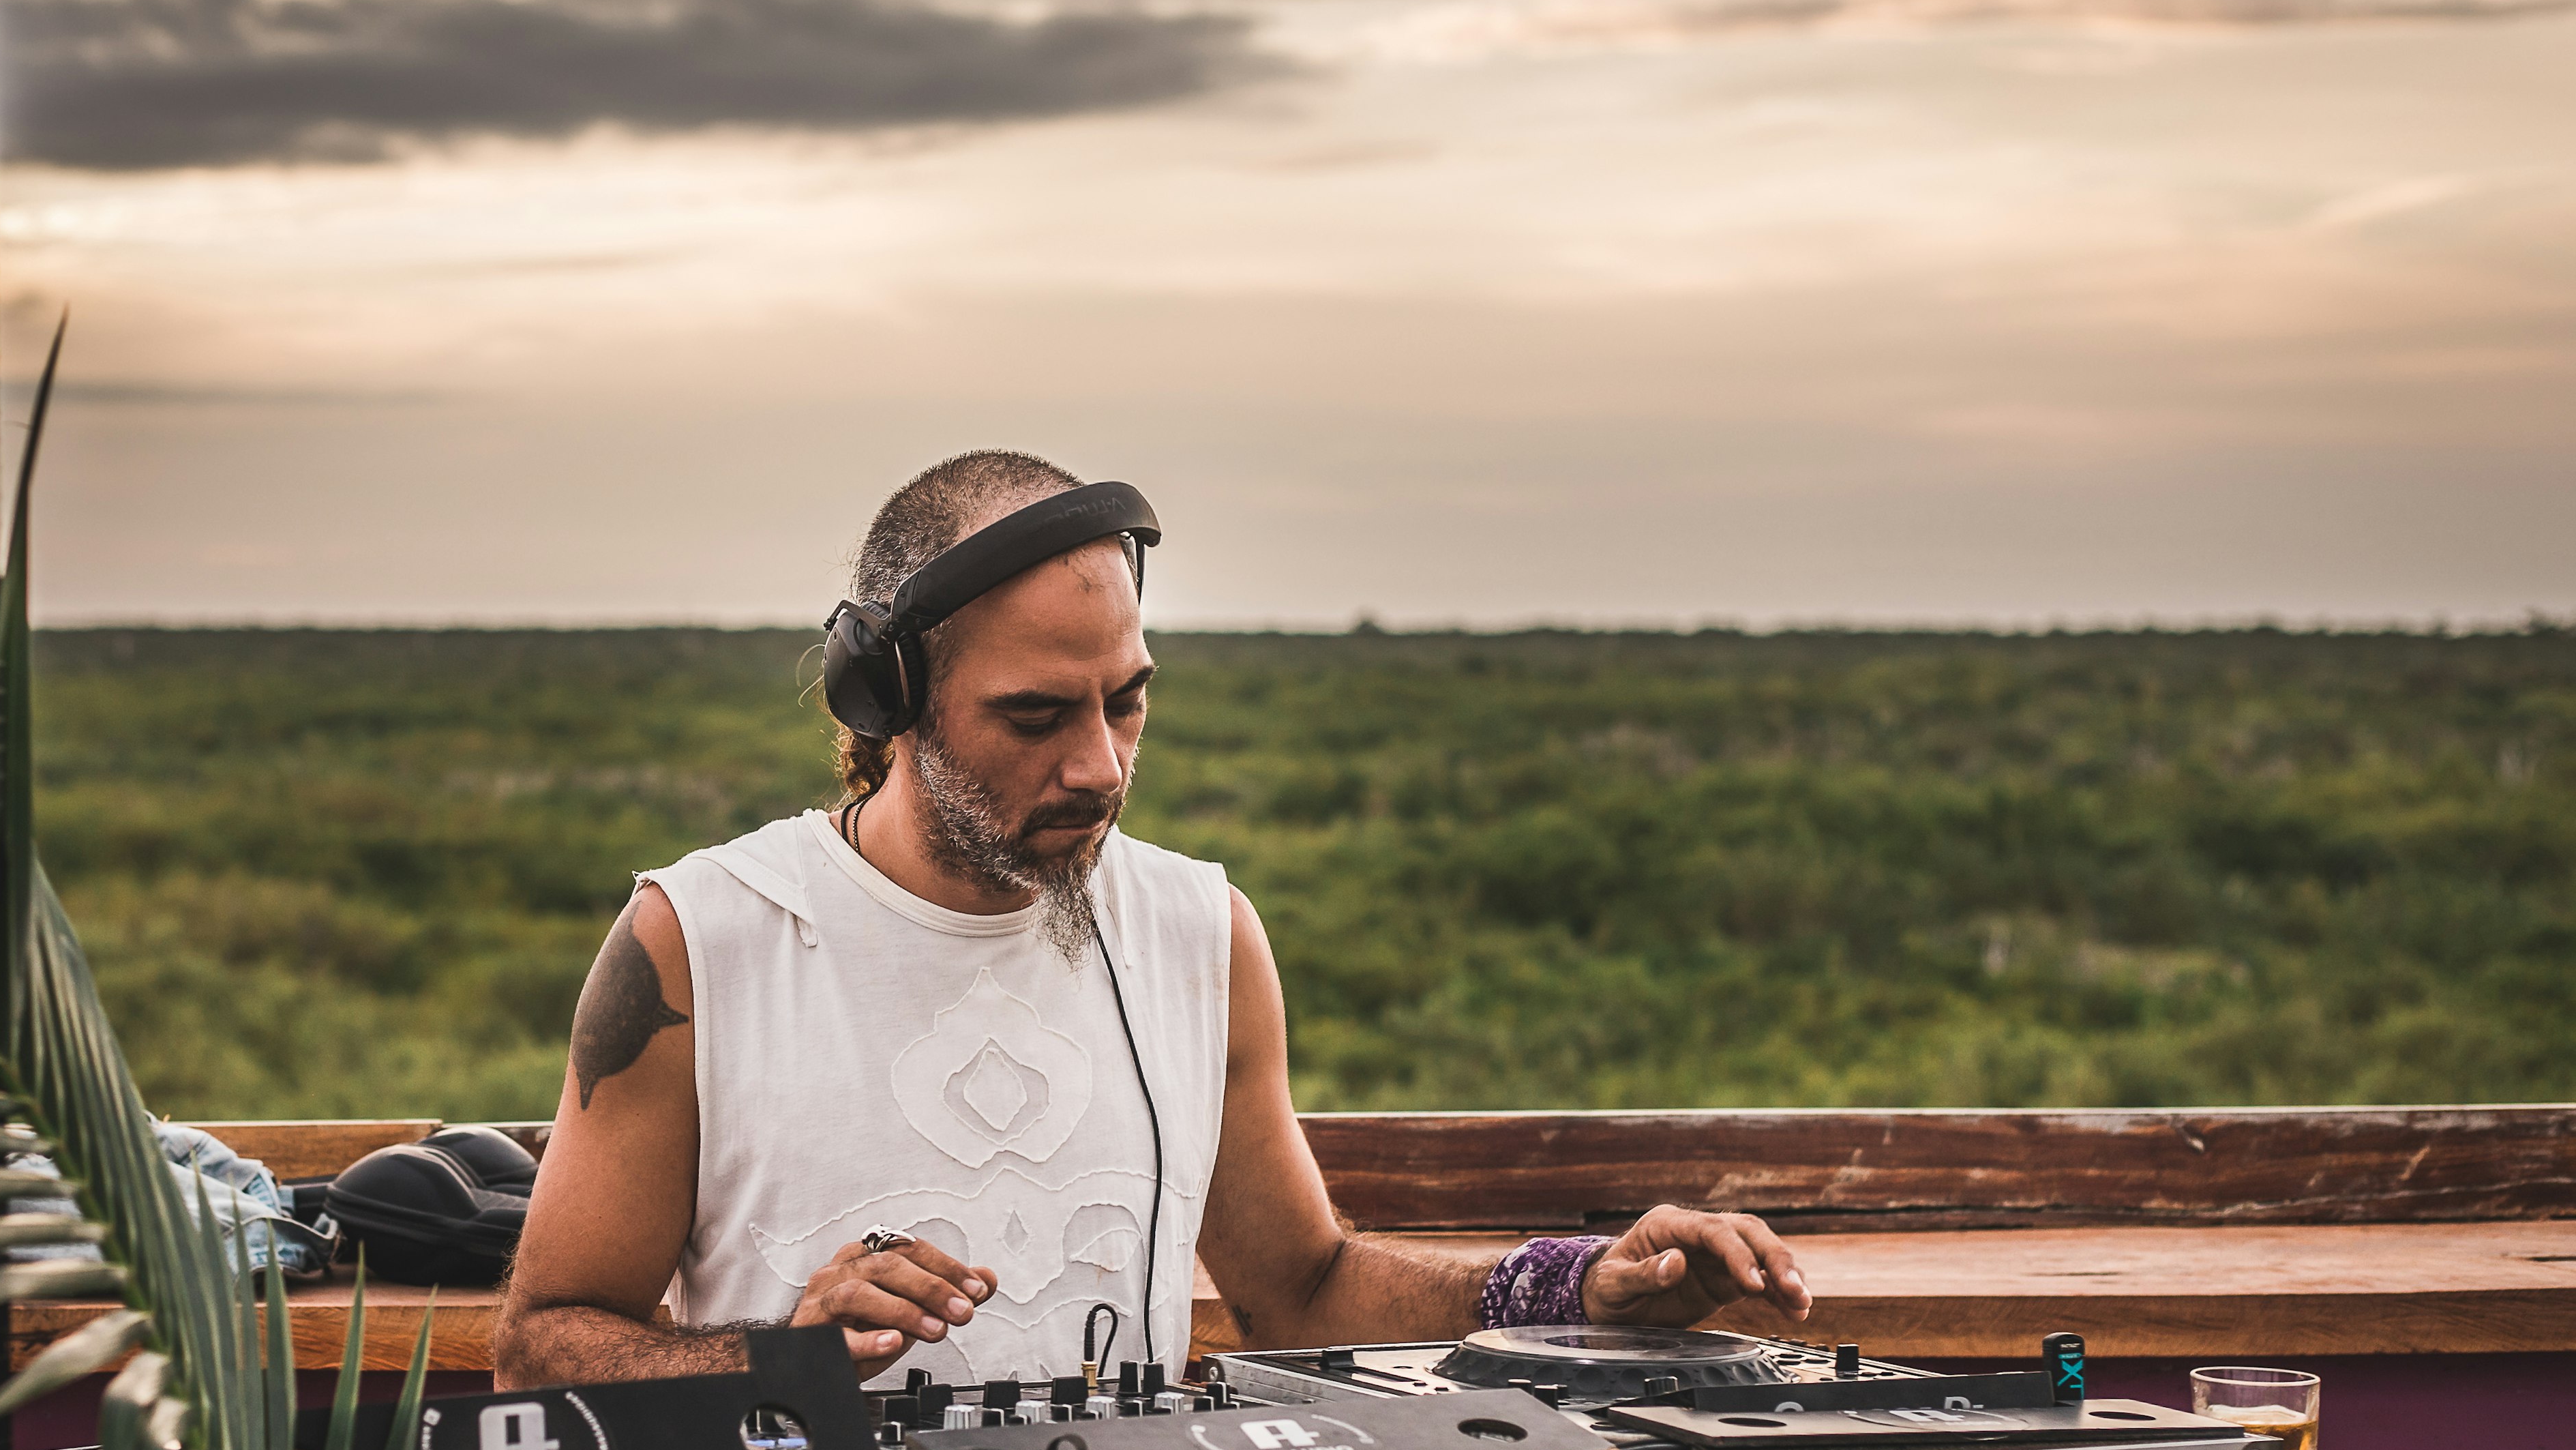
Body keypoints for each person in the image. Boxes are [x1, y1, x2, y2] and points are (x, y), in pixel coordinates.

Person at [494, 452, 1812, 1391]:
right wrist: (775, 1360)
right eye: (1035, 716)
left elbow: (1299, 1290)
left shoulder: (1203, 931)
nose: (1102, 767)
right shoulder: (700, 942)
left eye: (1125, 701)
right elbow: (542, 1344)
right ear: (889, 702)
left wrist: (1576, 1290)